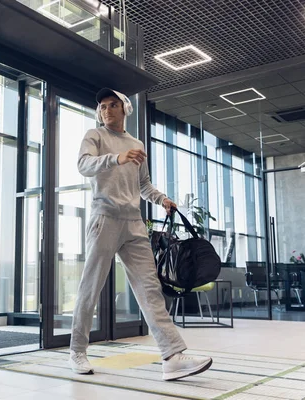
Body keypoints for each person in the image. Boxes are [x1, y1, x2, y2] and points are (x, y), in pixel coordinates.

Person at [69, 88, 213, 381]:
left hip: (134, 223)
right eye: (102, 106)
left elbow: (143, 184)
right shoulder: (94, 136)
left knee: (150, 289)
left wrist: (161, 199)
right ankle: (77, 350)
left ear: (125, 109)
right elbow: (84, 166)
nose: (106, 110)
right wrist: (116, 158)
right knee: (91, 286)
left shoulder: (136, 144)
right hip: (104, 219)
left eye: (112, 105)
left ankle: (172, 356)